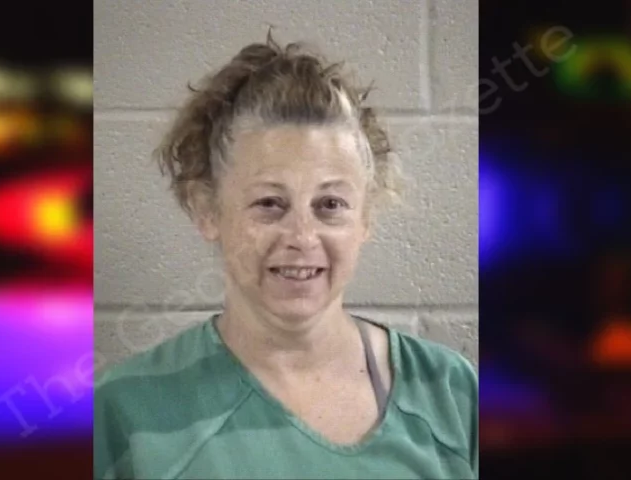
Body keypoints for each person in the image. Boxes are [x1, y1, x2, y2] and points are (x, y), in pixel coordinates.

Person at [94, 32, 478, 479]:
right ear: (207, 210)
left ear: (366, 217)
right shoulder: (124, 413)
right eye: (269, 203)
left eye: (329, 204)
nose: (302, 237)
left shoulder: (452, 391)